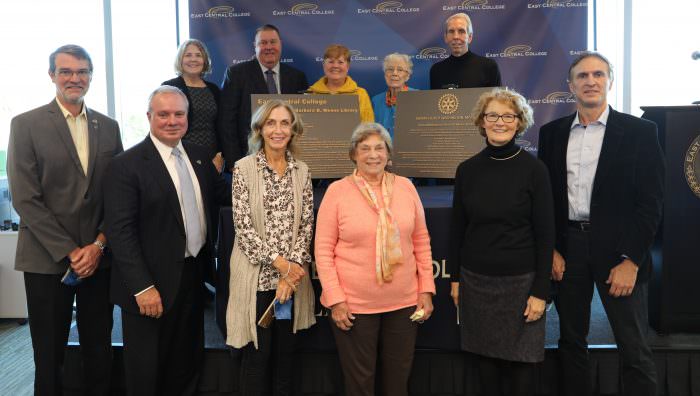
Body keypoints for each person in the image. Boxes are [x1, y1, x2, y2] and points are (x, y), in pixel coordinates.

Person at [538, 51, 664, 396]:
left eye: (598, 74)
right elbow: (546, 198)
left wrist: (632, 260)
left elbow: (650, 204)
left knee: (633, 346)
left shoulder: (641, 132)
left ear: (609, 81)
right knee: (571, 341)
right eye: (582, 76)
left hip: (620, 252)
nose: (590, 81)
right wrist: (551, 248)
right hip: (569, 249)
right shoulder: (551, 133)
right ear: (570, 85)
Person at [7, 44, 122, 396]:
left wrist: (98, 246)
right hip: (47, 259)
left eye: (82, 71)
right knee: (49, 353)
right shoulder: (25, 124)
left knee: (99, 351)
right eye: (67, 71)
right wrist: (72, 252)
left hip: (98, 259)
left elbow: (115, 195)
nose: (76, 78)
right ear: (52, 76)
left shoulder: (110, 126)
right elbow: (26, 199)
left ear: (90, 76)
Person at [104, 85, 230, 395]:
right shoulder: (126, 165)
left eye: (179, 114)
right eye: (163, 114)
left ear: (188, 117)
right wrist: (143, 288)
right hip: (149, 285)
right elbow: (120, 232)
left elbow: (225, 196)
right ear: (149, 117)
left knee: (186, 361)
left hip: (193, 277)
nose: (172, 121)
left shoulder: (201, 158)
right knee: (146, 370)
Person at [315, 122, 435, 396]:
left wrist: (426, 289)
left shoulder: (406, 187)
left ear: (388, 154)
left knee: (398, 381)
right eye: (365, 148)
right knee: (360, 383)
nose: (373, 155)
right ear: (353, 154)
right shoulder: (337, 192)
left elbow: (421, 241)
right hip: (354, 306)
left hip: (404, 303)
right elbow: (322, 250)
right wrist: (336, 299)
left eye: (379, 148)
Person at [449, 88, 554, 396]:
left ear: (519, 122)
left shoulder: (535, 170)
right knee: (486, 368)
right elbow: (457, 229)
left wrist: (540, 292)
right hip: (476, 281)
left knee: (523, 368)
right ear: (481, 121)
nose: (499, 122)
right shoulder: (467, 170)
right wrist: (455, 278)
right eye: (492, 115)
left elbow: (546, 234)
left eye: (508, 116)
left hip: (522, 284)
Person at [226, 99, 316, 395]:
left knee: (286, 360)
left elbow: (306, 225)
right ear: (260, 129)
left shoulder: (301, 170)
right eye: (271, 123)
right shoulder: (243, 168)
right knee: (257, 358)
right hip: (257, 281)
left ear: (293, 129)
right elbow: (244, 230)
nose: (278, 130)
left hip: (290, 284)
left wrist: (290, 276)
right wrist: (282, 266)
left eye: (284, 123)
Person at [218, 24, 309, 171]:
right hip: (248, 158)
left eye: (273, 42)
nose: (269, 47)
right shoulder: (236, 74)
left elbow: (302, 121)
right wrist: (236, 163)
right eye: (263, 43)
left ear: (281, 44)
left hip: (289, 161)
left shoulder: (297, 77)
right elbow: (227, 122)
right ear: (255, 46)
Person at [163, 38, 223, 172]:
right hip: (180, 156)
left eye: (198, 55)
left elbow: (222, 125)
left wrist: (220, 154)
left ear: (204, 60)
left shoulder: (214, 90)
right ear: (180, 59)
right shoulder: (170, 87)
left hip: (212, 158)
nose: (193, 59)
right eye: (188, 55)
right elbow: (164, 125)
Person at [430, 13, 502, 90]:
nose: (456, 36)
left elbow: (498, 101)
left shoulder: (489, 67)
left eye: (461, 31)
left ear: (470, 37)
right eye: (451, 31)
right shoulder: (436, 70)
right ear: (446, 37)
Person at [307, 44, 375, 123]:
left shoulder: (361, 94)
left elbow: (368, 128)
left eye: (340, 62)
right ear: (323, 65)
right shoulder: (310, 94)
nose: (335, 66)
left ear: (348, 66)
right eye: (331, 62)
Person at [371, 53, 416, 138]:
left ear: (407, 76)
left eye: (400, 70)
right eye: (390, 69)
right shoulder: (376, 101)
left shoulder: (418, 98)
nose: (394, 73)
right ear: (385, 75)